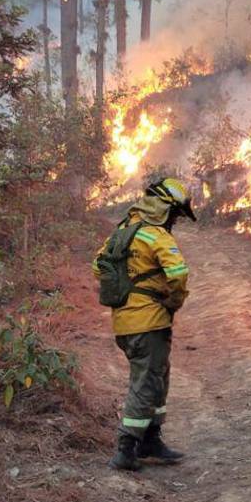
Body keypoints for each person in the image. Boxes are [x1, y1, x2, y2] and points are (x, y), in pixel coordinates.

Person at [93, 177, 196, 471]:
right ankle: (126, 449)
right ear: (165, 208)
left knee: (156, 377)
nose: (175, 220)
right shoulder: (155, 235)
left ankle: (151, 439)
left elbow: (98, 266)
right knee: (145, 383)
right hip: (148, 323)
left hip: (125, 323)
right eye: (175, 214)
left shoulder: (123, 232)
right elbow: (178, 273)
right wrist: (173, 299)